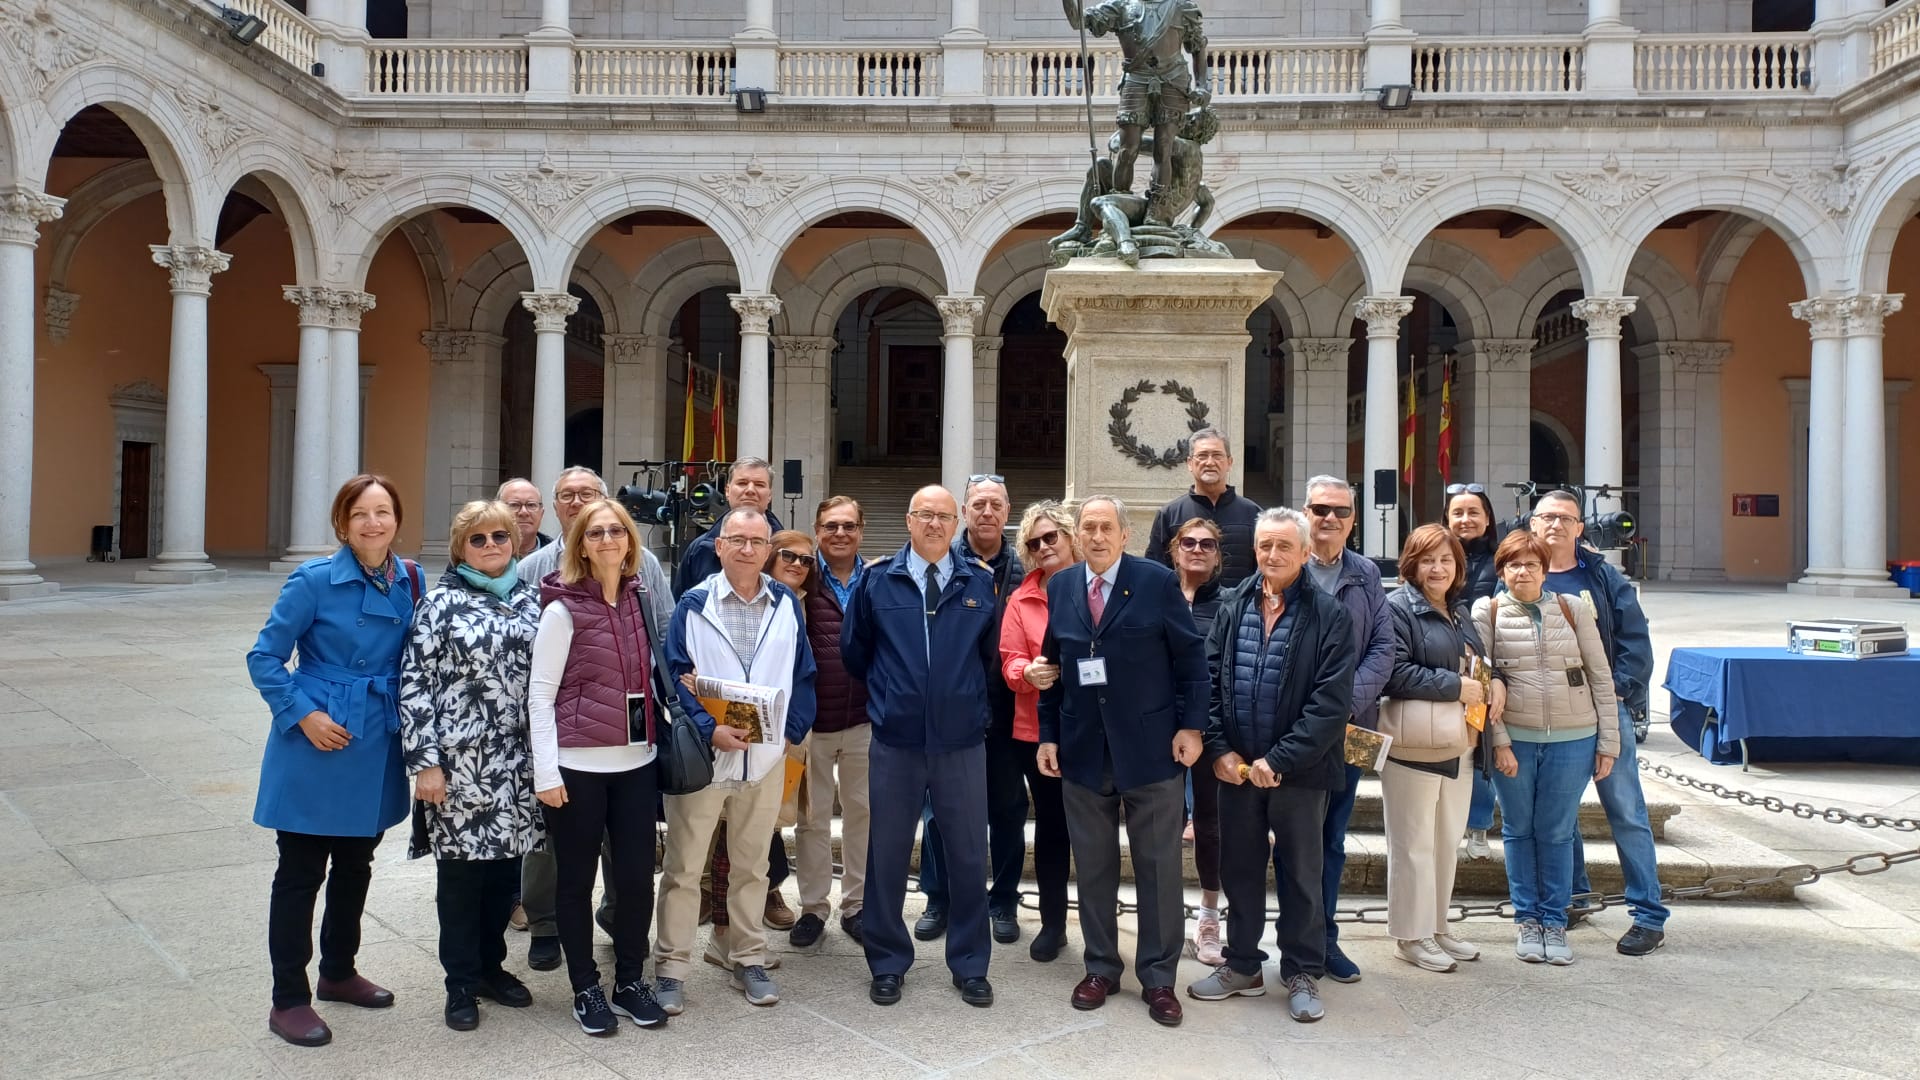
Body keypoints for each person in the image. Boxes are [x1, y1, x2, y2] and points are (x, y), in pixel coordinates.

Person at [247, 474, 420, 1047]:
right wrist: (303, 715)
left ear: (396, 519)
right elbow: (264, 657)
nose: (373, 523)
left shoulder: (410, 578)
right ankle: (288, 999)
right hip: (318, 737)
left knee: (356, 864)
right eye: (360, 513)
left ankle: (339, 971)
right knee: (300, 873)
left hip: (375, 738)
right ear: (342, 523)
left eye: (383, 511)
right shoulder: (313, 579)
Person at [1037, 495, 1207, 1028]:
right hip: (1084, 751)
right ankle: (1101, 968)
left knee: (1157, 870)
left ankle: (1158, 978)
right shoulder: (1062, 586)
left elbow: (1191, 660)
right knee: (1093, 869)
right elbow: (1053, 666)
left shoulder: (1156, 582)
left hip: (1152, 751)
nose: (1096, 537)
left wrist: (1192, 727)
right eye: (1087, 527)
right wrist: (1048, 735)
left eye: (1105, 527)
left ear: (1124, 534)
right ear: (1077, 535)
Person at [1187, 508, 1354, 1023]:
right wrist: (1220, 750)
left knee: (1301, 875)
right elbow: (1208, 680)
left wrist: (1278, 760)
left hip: (1301, 773)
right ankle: (1242, 965)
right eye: (1265, 545)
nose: (1273, 555)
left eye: (1284, 546)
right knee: (1238, 870)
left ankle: (1301, 971)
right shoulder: (1233, 604)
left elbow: (1330, 703)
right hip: (1238, 772)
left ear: (1304, 552)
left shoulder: (1330, 615)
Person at [843, 485, 1000, 1009]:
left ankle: (971, 965)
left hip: (961, 743)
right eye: (925, 515)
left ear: (957, 524)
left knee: (968, 855)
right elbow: (856, 652)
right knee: (887, 854)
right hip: (896, 741)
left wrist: (966, 706)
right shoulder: (876, 581)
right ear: (909, 521)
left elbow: (989, 658)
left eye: (944, 516)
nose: (934, 524)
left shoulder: (978, 581)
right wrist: (894, 697)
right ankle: (887, 962)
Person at [656, 509, 817, 1013]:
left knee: (752, 866)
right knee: (684, 869)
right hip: (706, 761)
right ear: (719, 546)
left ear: (768, 550)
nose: (747, 549)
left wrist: (789, 734)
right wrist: (710, 730)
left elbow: (804, 673)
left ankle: (746, 956)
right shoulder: (694, 603)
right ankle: (671, 966)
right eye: (737, 540)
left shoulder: (785, 603)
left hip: (765, 761)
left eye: (757, 541)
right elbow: (674, 677)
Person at [518, 466, 671, 970]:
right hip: (577, 764)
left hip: (636, 760)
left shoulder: (641, 597)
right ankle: (583, 984)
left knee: (634, 878)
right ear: (580, 545)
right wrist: (546, 772)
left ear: (631, 542)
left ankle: (630, 977)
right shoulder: (561, 609)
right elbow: (540, 695)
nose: (608, 539)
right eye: (596, 532)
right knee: (573, 879)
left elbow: (659, 659)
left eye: (616, 530)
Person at [398, 500, 544, 1030]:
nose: (490, 546)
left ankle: (490, 968)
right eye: (477, 539)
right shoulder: (439, 605)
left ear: (514, 542)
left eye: (499, 536)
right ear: (460, 548)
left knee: (504, 875)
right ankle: (459, 982)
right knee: (461, 878)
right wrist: (426, 763)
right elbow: (414, 683)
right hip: (460, 765)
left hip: (517, 764)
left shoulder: (532, 600)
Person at [1472, 530, 1620, 967]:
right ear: (1502, 571)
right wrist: (1500, 742)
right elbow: (1483, 683)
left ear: (1544, 570)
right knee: (1519, 830)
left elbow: (1600, 676)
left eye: (1531, 564)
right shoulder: (1488, 611)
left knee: (1557, 831)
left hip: (1574, 739)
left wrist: (1608, 741)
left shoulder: (1573, 609)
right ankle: (1527, 919)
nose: (1523, 572)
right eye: (1514, 564)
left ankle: (1554, 920)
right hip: (1515, 740)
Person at [1530, 490, 1667, 957]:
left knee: (1626, 811)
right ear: (1533, 524)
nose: (1556, 525)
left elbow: (1635, 639)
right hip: (1548, 715)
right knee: (1559, 813)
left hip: (1606, 709)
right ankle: (1573, 895)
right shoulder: (1519, 570)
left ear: (1579, 527)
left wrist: (1618, 691)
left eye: (1566, 518)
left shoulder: (1603, 577)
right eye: (1548, 517)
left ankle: (1648, 915)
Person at [1283, 475, 1393, 983]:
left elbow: (1383, 648)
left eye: (1340, 511)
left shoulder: (1365, 573)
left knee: (1331, 838)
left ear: (1353, 519)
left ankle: (1324, 938)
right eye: (1320, 509)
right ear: (1305, 512)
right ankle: (1287, 941)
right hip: (1287, 731)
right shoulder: (1284, 563)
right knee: (1288, 840)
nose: (1329, 518)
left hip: (1348, 729)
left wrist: (1343, 704)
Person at [1380, 524, 1500, 974]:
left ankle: (1437, 925)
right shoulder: (1396, 608)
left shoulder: (1458, 610)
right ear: (1411, 565)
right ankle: (1410, 936)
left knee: (1446, 842)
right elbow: (1393, 672)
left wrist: (1494, 682)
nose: (1437, 569)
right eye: (1428, 560)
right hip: (1415, 744)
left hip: (1460, 741)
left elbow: (1478, 665)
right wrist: (1455, 686)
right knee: (1412, 845)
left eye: (1446, 560)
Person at [700, 529, 818, 964]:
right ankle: (723, 932)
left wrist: (791, 732)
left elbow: (806, 674)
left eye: (806, 560)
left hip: (782, 742)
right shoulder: (717, 600)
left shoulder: (801, 603)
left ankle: (751, 922)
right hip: (727, 740)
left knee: (762, 838)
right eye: (789, 555)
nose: (797, 564)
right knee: (726, 842)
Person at [918, 476, 1018, 945]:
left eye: (995, 505)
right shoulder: (941, 562)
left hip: (1007, 710)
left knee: (1007, 809)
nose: (987, 513)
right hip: (951, 713)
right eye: (978, 505)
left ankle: (1003, 900)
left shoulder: (1023, 568)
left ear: (1007, 512)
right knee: (939, 813)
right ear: (964, 511)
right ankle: (939, 897)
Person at [995, 501, 1079, 963]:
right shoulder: (1022, 598)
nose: (1044, 546)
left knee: (1093, 831)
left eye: (1051, 537)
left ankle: (1101, 926)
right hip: (1036, 730)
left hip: (1094, 729)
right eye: (1034, 541)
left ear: (1070, 537)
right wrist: (1026, 672)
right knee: (1051, 829)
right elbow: (1010, 659)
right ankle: (1053, 924)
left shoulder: (1095, 585)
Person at [792, 496, 873, 949]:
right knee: (813, 819)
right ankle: (812, 908)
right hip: (813, 723)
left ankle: (856, 905)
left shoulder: (877, 579)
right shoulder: (803, 576)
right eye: (830, 526)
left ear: (860, 530)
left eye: (848, 526)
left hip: (863, 719)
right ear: (818, 530)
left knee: (863, 813)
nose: (840, 534)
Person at [1169, 517, 1226, 965]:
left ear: (1218, 555)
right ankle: (1164, 916)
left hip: (1209, 729)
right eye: (1188, 542)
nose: (1197, 549)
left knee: (1209, 826)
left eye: (1207, 544)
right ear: (1174, 549)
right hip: (1157, 729)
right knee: (1160, 827)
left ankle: (1209, 915)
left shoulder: (1229, 604)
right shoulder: (1155, 595)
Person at [1447, 482, 1503, 862]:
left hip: (1483, 666)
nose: (1465, 519)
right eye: (1458, 513)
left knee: (1481, 747)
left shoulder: (1499, 560)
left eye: (1473, 512)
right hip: (1440, 663)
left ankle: (1479, 823)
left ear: (1487, 519)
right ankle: (1450, 821)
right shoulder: (1435, 554)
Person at [1146, 428, 1261, 588]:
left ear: (1229, 463)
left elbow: (1263, 572)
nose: (1210, 462)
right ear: (1190, 463)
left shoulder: (1253, 514)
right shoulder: (1170, 514)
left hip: (1239, 603)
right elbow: (1155, 571)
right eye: (1202, 456)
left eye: (1217, 455)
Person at [672, 457, 785, 595]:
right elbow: (681, 603)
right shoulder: (700, 550)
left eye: (759, 484)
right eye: (742, 483)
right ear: (727, 491)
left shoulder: (788, 552)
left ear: (770, 495)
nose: (750, 490)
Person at [498, 477, 551, 560]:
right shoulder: (483, 554)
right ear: (498, 512)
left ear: (541, 513)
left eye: (531, 505)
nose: (524, 512)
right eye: (514, 505)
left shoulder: (560, 556)